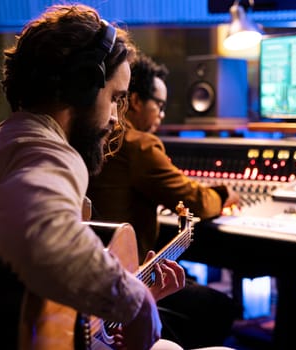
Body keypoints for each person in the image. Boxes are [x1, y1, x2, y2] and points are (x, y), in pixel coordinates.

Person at [0, 4, 188, 350]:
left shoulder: (5, 144)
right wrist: (138, 302)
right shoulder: (47, 151)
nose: (117, 118)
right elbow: (41, 233)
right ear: (84, 85)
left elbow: (28, 291)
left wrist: (117, 294)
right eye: (114, 98)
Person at [87, 52, 243, 349]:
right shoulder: (138, 145)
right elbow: (194, 201)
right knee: (218, 306)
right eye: (158, 104)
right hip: (126, 281)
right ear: (134, 101)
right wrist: (224, 194)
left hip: (98, 281)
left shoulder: (92, 140)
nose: (161, 114)